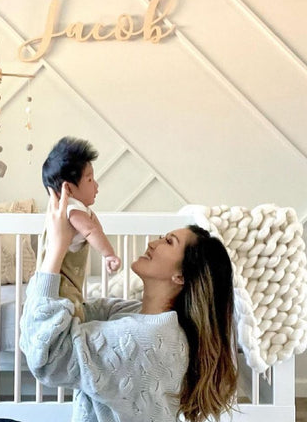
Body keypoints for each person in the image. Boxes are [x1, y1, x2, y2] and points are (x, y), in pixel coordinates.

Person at [19, 183, 238, 422]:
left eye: (169, 242)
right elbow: (71, 315)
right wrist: (74, 243)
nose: (154, 243)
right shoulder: (140, 316)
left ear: (181, 276)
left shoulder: (143, 337)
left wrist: (56, 249)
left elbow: (47, 357)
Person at [41, 136, 121, 321]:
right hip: (60, 283)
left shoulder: (77, 209)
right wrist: (109, 254)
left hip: (66, 281)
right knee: (71, 311)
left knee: (75, 307)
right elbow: (91, 231)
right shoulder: (72, 209)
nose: (96, 185)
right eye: (90, 180)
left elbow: (94, 226)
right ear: (68, 188)